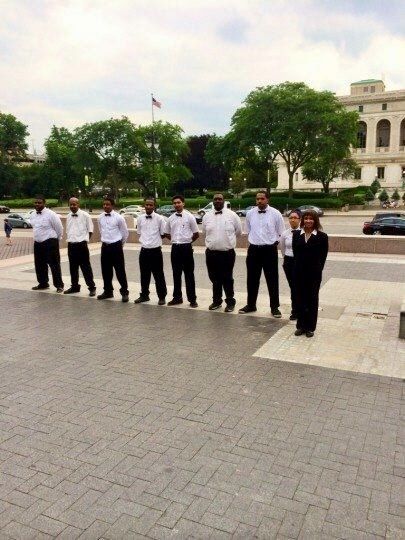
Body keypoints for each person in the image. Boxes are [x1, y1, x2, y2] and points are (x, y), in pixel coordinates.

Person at [239, 191, 285, 318]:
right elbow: (248, 231)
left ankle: (275, 307)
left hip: (269, 250)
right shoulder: (250, 214)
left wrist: (274, 244)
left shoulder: (276, 214)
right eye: (257, 199)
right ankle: (251, 305)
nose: (259, 201)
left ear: (267, 200)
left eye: (262, 199)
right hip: (254, 250)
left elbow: (281, 233)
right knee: (252, 279)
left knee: (272, 279)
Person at [202, 193, 242, 312]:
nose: (218, 201)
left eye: (220, 199)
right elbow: (205, 232)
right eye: (215, 199)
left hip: (227, 253)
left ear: (224, 201)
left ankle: (230, 302)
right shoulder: (206, 216)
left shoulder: (233, 215)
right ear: (213, 201)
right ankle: (216, 301)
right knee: (214, 278)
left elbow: (238, 232)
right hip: (211, 253)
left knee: (227, 278)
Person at [292, 210, 328, 338]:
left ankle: (310, 327)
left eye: (311, 218)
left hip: (314, 274)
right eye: (306, 218)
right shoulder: (296, 235)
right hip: (299, 273)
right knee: (300, 299)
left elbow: (323, 258)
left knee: (312, 299)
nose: (308, 221)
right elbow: (295, 255)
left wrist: (316, 271)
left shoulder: (322, 237)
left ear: (315, 220)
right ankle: (300, 326)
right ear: (302, 220)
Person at [165, 195, 199, 308]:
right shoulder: (170, 218)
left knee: (189, 274)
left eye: (178, 202)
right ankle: (177, 298)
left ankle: (192, 299)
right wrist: (175, 240)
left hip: (186, 248)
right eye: (174, 203)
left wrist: (188, 242)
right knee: (176, 274)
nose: (176, 204)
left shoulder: (190, 217)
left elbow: (196, 234)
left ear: (183, 203)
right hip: (175, 248)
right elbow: (166, 233)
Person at [134, 197, 167, 305]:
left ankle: (162, 297)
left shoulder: (160, 219)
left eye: (151, 205)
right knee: (144, 275)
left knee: (158, 275)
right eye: (146, 205)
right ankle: (144, 295)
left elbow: (163, 234)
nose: (148, 206)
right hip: (144, 251)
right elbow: (139, 232)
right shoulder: (140, 218)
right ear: (144, 206)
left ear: (154, 206)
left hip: (156, 251)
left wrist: (154, 242)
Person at [97, 197, 129, 302]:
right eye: (104, 204)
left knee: (120, 271)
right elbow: (101, 231)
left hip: (116, 247)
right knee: (106, 271)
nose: (105, 206)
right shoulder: (100, 217)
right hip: (105, 246)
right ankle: (108, 291)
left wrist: (119, 245)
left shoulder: (119, 218)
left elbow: (125, 234)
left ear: (112, 206)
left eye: (108, 204)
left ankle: (124, 292)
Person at [30, 196, 64, 293]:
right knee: (39, 264)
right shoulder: (32, 214)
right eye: (35, 202)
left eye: (39, 202)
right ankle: (43, 283)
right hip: (38, 242)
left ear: (44, 203)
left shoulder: (51, 214)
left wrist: (57, 240)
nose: (37, 204)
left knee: (54, 264)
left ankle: (59, 285)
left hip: (50, 241)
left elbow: (59, 228)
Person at [64, 197, 96, 297]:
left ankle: (91, 287)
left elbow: (90, 231)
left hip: (81, 245)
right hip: (71, 245)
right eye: (71, 204)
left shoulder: (85, 215)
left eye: (74, 204)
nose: (72, 206)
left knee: (86, 268)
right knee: (72, 268)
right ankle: (75, 286)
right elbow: (68, 230)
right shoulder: (68, 216)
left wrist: (83, 240)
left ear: (79, 204)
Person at [279, 209, 301, 320]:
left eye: (295, 218)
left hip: (300, 263)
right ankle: (295, 311)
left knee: (300, 287)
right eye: (290, 218)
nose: (292, 220)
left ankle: (302, 309)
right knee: (293, 287)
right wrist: (286, 258)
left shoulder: (303, 232)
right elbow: (282, 248)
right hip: (289, 262)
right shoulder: (285, 233)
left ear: (299, 219)